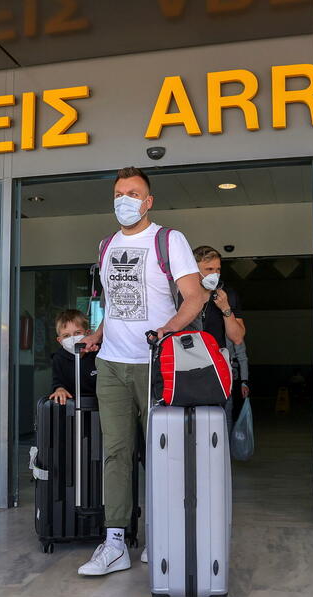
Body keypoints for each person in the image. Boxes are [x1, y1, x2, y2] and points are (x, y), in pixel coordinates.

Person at [77, 166, 205, 576]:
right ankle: (115, 541)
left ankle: (161, 534)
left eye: (133, 193)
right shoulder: (106, 245)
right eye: (119, 193)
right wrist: (97, 334)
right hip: (111, 364)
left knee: (161, 453)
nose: (124, 200)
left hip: (156, 364)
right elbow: (113, 304)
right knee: (116, 452)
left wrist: (167, 329)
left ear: (148, 202)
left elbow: (195, 297)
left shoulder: (169, 240)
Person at [190, 246, 245, 349]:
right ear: (194, 270)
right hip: (187, 355)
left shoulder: (228, 294)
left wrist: (225, 308)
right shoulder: (180, 295)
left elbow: (237, 338)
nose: (215, 274)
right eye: (209, 269)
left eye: (218, 269)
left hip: (218, 356)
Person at [49, 309, 98, 405]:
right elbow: (57, 381)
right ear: (60, 340)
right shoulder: (58, 358)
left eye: (77, 333)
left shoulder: (98, 353)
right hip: (71, 406)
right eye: (66, 336)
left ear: (88, 333)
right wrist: (60, 389)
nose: (72, 338)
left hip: (97, 405)